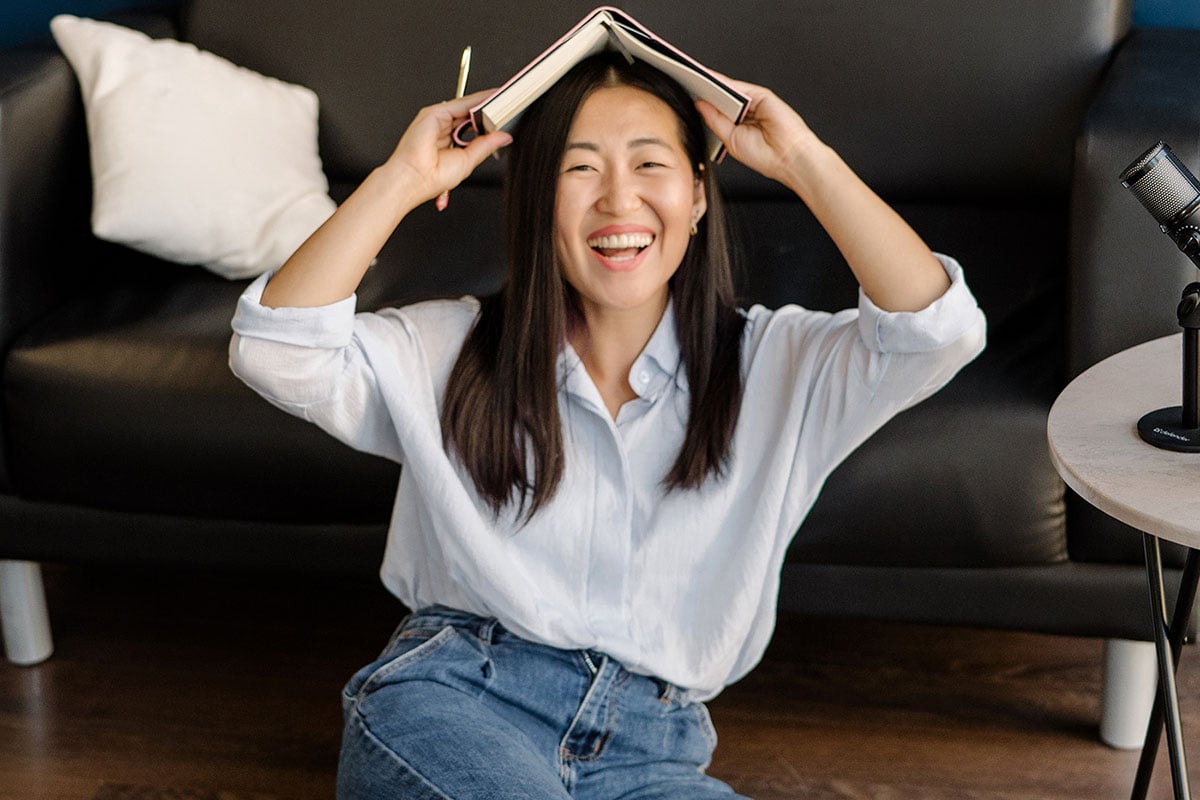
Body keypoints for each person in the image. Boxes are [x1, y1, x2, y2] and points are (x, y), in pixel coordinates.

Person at [230, 50, 985, 800]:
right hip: (457, 698)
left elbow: (936, 331)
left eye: (650, 164)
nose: (618, 200)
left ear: (697, 195)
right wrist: (401, 181)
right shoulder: (448, 350)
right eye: (580, 169)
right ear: (536, 201)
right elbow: (275, 350)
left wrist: (800, 158)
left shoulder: (780, 363)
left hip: (653, 756)